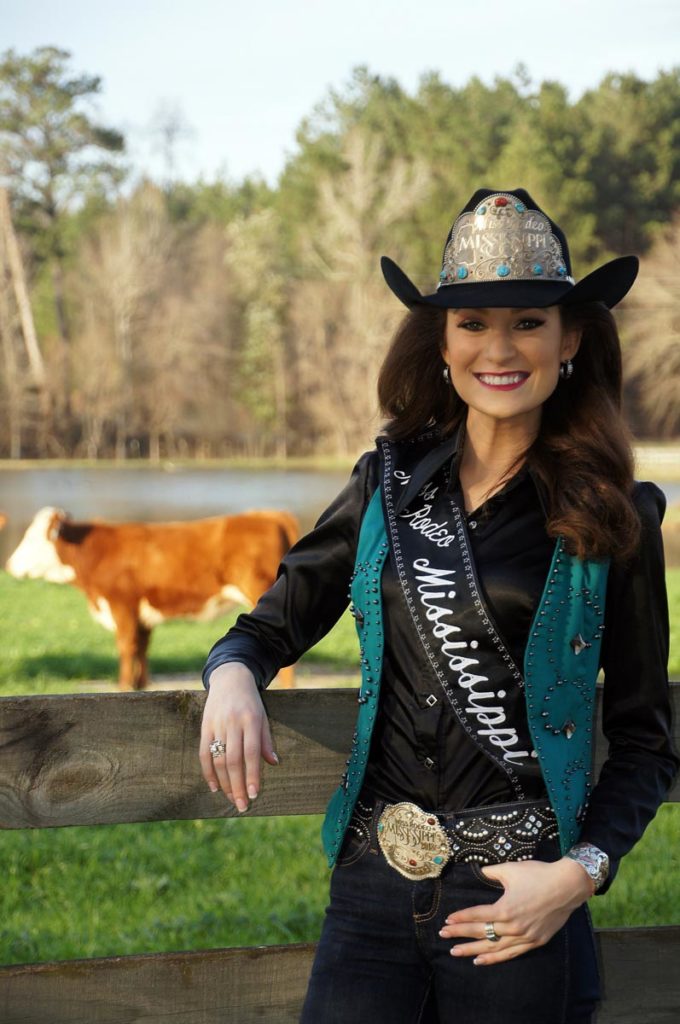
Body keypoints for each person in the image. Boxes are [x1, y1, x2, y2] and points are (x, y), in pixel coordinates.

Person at [199, 188, 679, 1024]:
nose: (500, 347)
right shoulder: (385, 484)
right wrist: (233, 676)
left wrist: (575, 877)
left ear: (570, 339)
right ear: (443, 343)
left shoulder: (613, 516)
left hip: (516, 902)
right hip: (371, 893)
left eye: (529, 323)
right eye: (473, 323)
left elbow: (647, 738)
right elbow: (265, 628)